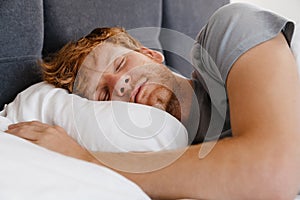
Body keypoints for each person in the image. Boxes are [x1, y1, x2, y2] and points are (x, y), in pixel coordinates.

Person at [5, 3, 300, 199]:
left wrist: (87, 159)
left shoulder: (227, 30)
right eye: (104, 94)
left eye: (120, 64)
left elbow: (277, 169)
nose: (120, 84)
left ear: (151, 54)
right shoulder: (181, 166)